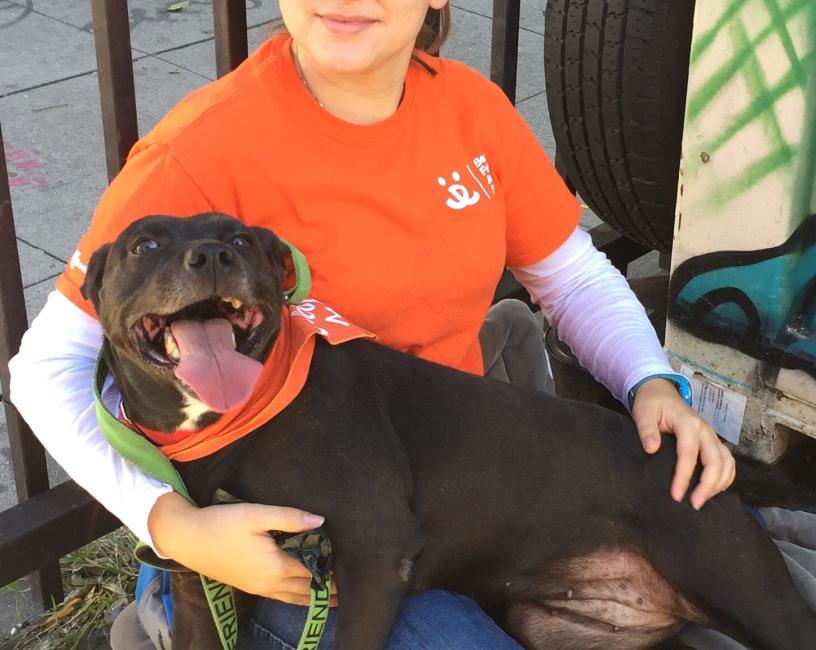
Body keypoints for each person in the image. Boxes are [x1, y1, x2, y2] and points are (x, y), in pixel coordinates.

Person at [8, 1, 736, 647]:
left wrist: (652, 383)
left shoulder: (472, 111)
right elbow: (45, 369)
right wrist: (174, 527)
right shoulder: (200, 149)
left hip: (449, 489)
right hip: (279, 529)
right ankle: (170, 614)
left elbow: (570, 274)